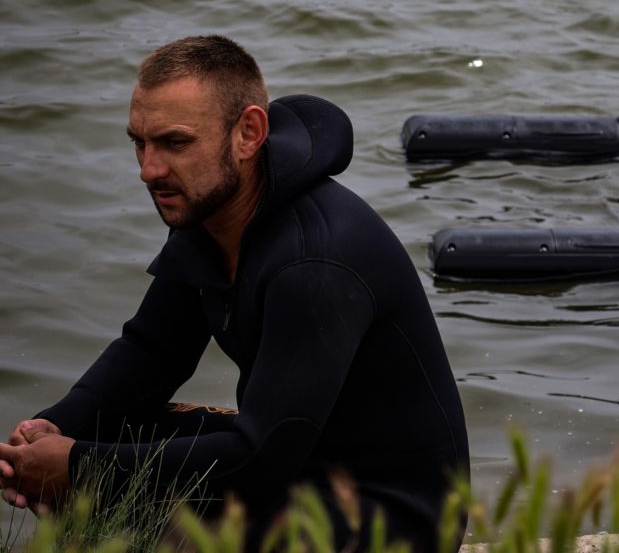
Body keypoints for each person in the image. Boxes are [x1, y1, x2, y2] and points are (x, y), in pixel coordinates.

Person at [0, 35, 469, 552]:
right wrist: (51, 429)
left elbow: (261, 456)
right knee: (116, 437)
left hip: (391, 519)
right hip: (301, 469)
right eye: (139, 141)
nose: (148, 170)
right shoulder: (214, 213)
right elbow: (151, 353)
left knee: (106, 481)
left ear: (248, 133)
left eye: (174, 143)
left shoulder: (313, 263)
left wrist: (76, 466)